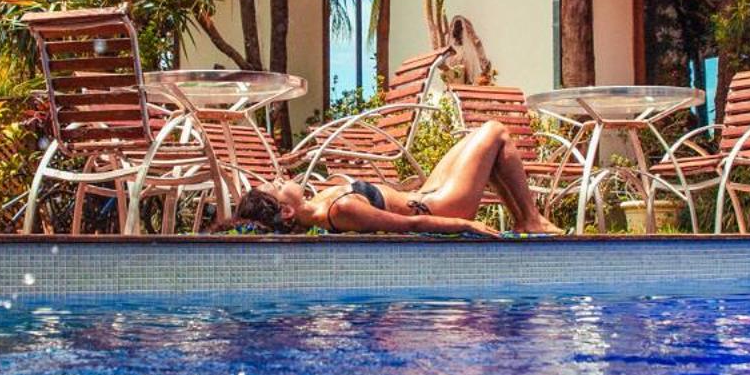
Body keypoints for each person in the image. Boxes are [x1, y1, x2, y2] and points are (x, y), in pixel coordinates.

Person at [231, 120, 564, 237]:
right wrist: (465, 225)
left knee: (483, 143)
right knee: (495, 133)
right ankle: (531, 222)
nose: (279, 177)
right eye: (275, 185)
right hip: (441, 208)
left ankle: (527, 220)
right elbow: (408, 225)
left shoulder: (320, 204)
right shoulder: (342, 209)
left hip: (426, 195)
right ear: (287, 211)